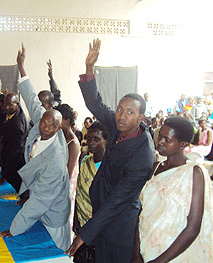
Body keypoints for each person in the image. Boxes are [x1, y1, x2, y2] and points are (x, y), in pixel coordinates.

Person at [66, 39, 155, 263]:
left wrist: (84, 235)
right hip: (101, 203)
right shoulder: (118, 125)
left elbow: (119, 199)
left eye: (130, 112)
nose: (122, 115)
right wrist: (89, 69)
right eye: (120, 110)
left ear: (140, 117)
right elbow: (95, 104)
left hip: (120, 220)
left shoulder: (143, 154)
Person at [0, 43, 71, 252]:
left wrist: (14, 229)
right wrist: (21, 67)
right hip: (38, 197)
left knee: (54, 251)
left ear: (59, 128)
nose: (45, 128)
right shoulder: (43, 121)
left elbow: (41, 200)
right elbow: (31, 99)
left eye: (51, 126)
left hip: (53, 212)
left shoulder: (56, 160)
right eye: (43, 123)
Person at [132, 117, 213, 262]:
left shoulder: (193, 173)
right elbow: (142, 214)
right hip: (147, 248)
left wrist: (159, 261)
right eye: (160, 136)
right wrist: (136, 253)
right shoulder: (155, 168)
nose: (160, 142)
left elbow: (193, 227)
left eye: (167, 139)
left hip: (174, 254)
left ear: (183, 144)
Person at [73, 121, 108, 263]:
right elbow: (79, 192)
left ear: (106, 140)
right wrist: (75, 218)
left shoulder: (109, 167)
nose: (91, 143)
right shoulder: (85, 160)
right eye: (88, 138)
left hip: (100, 228)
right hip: (81, 222)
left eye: (96, 139)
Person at [55, 104, 80, 240]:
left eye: (60, 119)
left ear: (68, 121)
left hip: (65, 187)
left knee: (64, 220)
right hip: (57, 184)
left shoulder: (73, 143)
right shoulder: (60, 137)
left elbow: (68, 173)